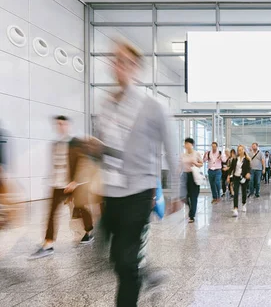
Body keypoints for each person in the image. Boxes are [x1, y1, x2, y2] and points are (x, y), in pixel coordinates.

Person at [94, 41, 178, 307]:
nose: (118, 66)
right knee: (117, 259)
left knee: (126, 260)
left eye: (125, 61)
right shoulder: (106, 105)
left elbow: (171, 149)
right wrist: (96, 148)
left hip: (140, 192)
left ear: (136, 68)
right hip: (111, 191)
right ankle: (146, 274)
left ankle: (133, 289)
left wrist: (177, 191)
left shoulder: (152, 107)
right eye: (115, 60)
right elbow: (109, 150)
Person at [29, 116, 95, 260]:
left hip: (74, 185)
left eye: (62, 124)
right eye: (58, 124)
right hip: (58, 185)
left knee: (81, 208)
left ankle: (89, 232)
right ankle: (48, 244)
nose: (60, 127)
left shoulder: (76, 143)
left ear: (68, 125)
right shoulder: (55, 144)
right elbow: (56, 165)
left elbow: (85, 163)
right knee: (52, 213)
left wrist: (75, 181)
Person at [181, 138, 202, 223]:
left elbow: (201, 164)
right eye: (185, 143)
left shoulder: (196, 153)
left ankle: (191, 216)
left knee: (193, 196)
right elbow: (180, 165)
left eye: (188, 143)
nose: (186, 145)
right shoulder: (183, 155)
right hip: (185, 175)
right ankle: (191, 209)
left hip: (194, 176)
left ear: (192, 144)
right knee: (184, 196)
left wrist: (196, 164)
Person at [227, 145, 251, 217]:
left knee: (244, 192)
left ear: (244, 150)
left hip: (243, 178)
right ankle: (235, 209)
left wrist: (248, 173)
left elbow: (249, 168)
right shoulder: (235, 159)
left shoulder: (247, 159)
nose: (239, 151)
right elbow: (231, 168)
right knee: (236, 193)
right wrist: (228, 176)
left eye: (241, 150)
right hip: (236, 177)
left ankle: (244, 203)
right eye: (238, 150)